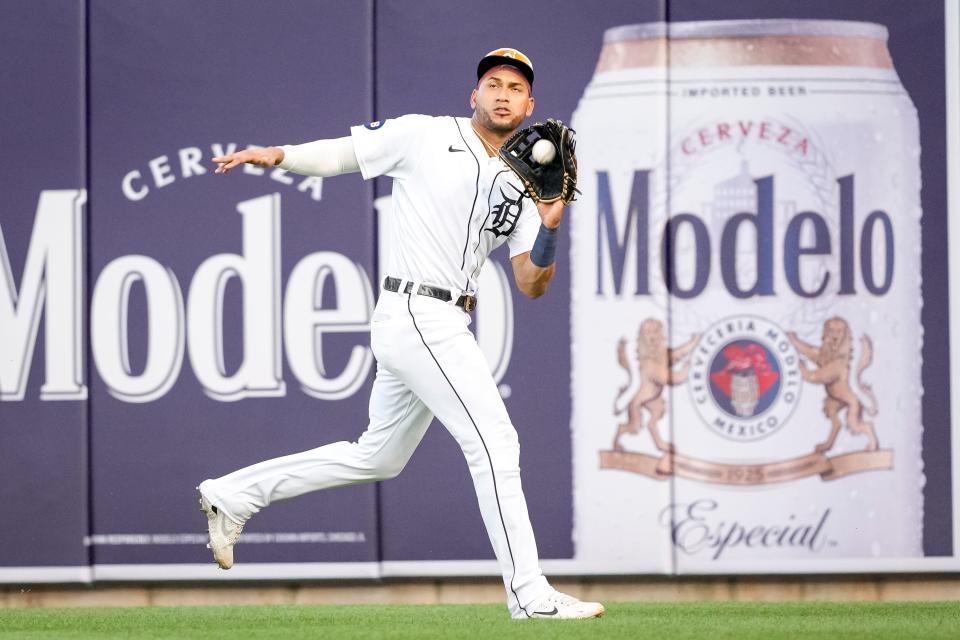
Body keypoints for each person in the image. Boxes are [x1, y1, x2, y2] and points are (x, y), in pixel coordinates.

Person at [201, 48, 603, 620]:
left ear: (530, 104)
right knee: (495, 444)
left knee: (379, 456)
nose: (503, 93)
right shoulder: (424, 135)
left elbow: (531, 283)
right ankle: (529, 594)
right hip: (417, 309)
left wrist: (551, 226)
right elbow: (343, 153)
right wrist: (279, 156)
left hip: (441, 317)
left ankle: (233, 495)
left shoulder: (525, 182)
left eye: (515, 86)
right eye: (493, 82)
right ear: (474, 95)